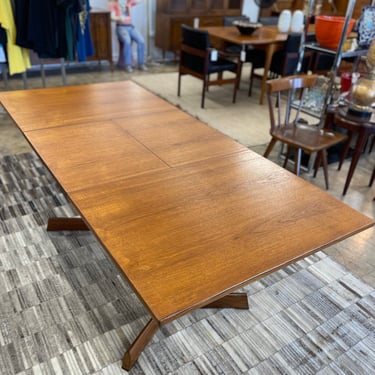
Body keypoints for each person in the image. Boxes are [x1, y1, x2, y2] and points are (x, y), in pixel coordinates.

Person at [109, 0, 147, 72]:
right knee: (127, 41)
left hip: (130, 27)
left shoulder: (129, 2)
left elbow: (141, 1)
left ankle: (141, 64)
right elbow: (112, 17)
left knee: (141, 41)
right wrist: (119, 17)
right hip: (120, 27)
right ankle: (128, 65)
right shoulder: (114, 4)